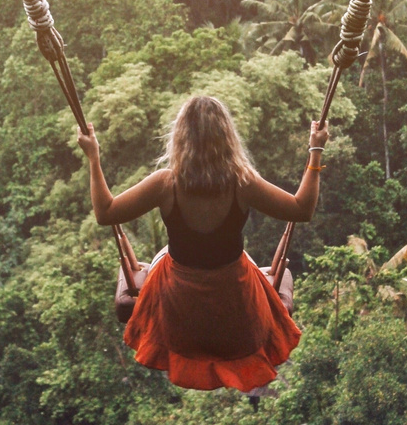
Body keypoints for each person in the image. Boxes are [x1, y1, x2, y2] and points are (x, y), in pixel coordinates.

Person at [77, 94, 329, 393]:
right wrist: (315, 151)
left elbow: (106, 213)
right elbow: (302, 209)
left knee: (156, 262)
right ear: (227, 138)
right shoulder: (242, 182)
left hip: (178, 308)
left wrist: (93, 157)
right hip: (237, 305)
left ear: (179, 139)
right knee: (279, 274)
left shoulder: (165, 184)